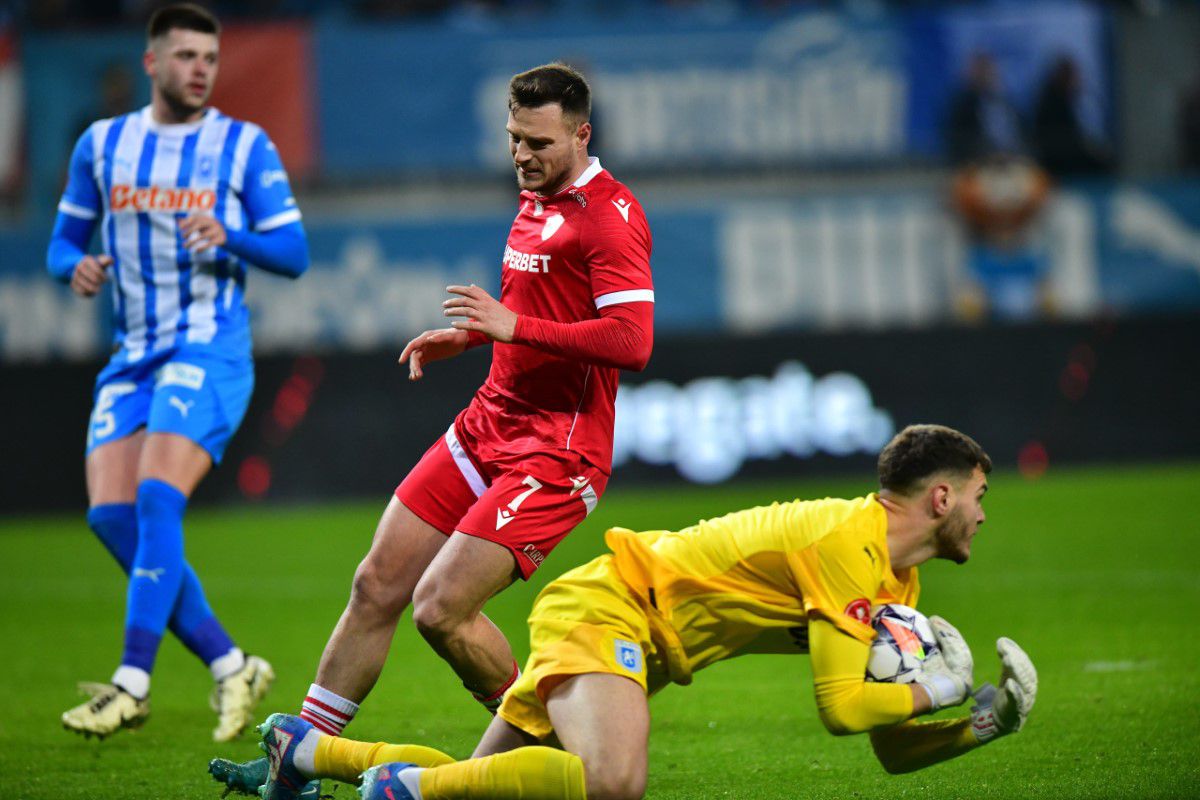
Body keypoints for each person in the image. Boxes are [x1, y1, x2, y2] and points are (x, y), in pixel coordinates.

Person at [216, 424, 1038, 800]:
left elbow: (887, 748)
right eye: (978, 496)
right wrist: (935, 688)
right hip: (614, 610)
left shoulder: (896, 585)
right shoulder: (846, 543)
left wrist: (979, 725)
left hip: (625, 624)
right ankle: (404, 791)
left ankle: (310, 751)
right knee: (612, 785)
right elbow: (842, 709)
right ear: (941, 497)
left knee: (482, 782)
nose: (982, 514)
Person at [259, 61, 653, 758]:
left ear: (582, 135)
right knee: (375, 584)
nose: (522, 156)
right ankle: (298, 760)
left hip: (557, 453)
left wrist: (511, 327)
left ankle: (549, 749)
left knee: (440, 609)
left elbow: (632, 341)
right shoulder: (535, 197)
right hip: (488, 423)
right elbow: (535, 307)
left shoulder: (610, 218)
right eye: (514, 139)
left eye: (539, 142)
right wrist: (471, 337)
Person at [49, 3, 309, 741]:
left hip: (208, 349)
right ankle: (232, 665)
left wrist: (230, 234)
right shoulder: (102, 145)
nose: (200, 69)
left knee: (157, 499)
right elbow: (62, 242)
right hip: (133, 356)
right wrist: (76, 268)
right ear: (152, 62)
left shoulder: (241, 145)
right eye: (186, 56)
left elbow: (293, 253)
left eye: (210, 58)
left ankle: (131, 684)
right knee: (111, 517)